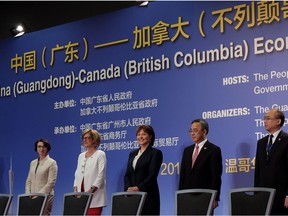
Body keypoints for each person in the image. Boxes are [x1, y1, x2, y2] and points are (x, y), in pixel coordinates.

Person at [179, 118, 222, 211]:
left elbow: (216, 176)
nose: (192, 133)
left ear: (204, 131)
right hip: (186, 196)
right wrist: (180, 195)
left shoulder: (214, 150)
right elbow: (183, 174)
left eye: (195, 130)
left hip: (205, 196)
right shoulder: (187, 150)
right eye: (191, 131)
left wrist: (215, 197)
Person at [254, 108, 288, 215]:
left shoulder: (286, 140)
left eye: (268, 118)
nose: (264, 121)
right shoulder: (261, 142)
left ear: (278, 121)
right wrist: (256, 194)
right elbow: (258, 171)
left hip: (281, 195)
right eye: (264, 118)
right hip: (263, 196)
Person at [124, 125, 163, 215]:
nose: (140, 137)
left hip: (148, 195)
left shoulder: (155, 153)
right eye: (138, 134)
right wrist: (128, 189)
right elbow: (127, 174)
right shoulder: (132, 153)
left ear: (150, 137)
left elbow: (152, 175)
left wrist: (138, 188)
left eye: (144, 134)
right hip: (133, 196)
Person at [74, 129, 107, 215]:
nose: (85, 140)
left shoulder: (100, 154)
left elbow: (101, 175)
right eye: (83, 138)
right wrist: (75, 188)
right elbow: (77, 173)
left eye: (87, 138)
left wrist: (90, 190)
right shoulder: (81, 156)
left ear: (94, 139)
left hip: (95, 196)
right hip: (81, 196)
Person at [25, 138, 58, 215]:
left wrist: (39, 195)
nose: (41, 149)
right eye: (39, 146)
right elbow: (28, 180)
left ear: (47, 148)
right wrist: (28, 194)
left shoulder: (52, 162)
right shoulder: (33, 163)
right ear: (36, 148)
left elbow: (51, 183)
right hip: (31, 197)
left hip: (45, 197)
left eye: (43, 146)